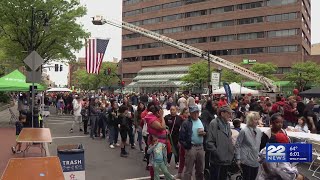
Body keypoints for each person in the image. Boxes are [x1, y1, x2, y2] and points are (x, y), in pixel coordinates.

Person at [206, 105, 235, 180]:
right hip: (217, 160)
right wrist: (217, 153)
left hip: (226, 159)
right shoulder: (214, 123)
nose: (230, 115)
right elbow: (209, 142)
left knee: (223, 177)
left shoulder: (228, 124)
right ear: (222, 113)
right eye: (229, 113)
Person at [179, 105, 205, 180]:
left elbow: (206, 130)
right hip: (191, 147)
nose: (196, 114)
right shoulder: (186, 123)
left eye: (197, 112)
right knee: (188, 170)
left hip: (200, 147)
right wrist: (187, 146)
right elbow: (181, 137)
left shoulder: (201, 120)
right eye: (194, 112)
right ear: (190, 113)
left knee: (200, 170)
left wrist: (204, 133)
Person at [235, 111, 262, 180]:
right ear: (250, 120)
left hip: (255, 160)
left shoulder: (259, 131)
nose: (257, 121)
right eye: (255, 119)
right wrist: (238, 158)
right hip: (245, 160)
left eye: (257, 119)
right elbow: (237, 145)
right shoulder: (244, 131)